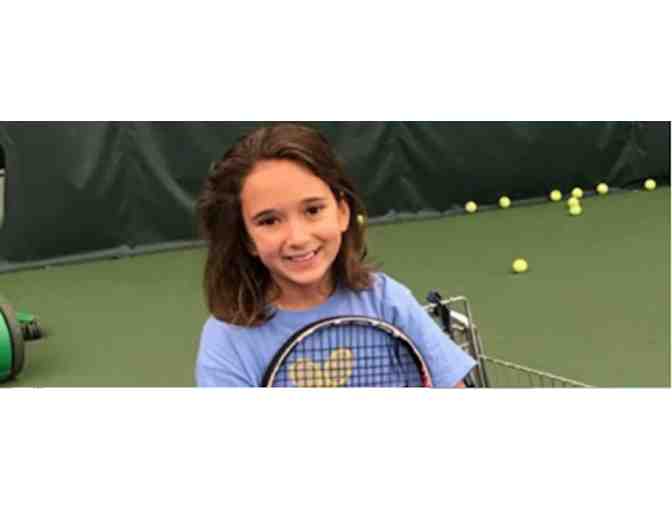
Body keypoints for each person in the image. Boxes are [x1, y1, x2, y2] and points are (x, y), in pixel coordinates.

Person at [195, 123, 475, 387]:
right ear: (247, 239)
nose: (298, 238)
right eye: (269, 221)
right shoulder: (227, 340)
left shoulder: (387, 300)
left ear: (342, 212)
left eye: (313, 210)